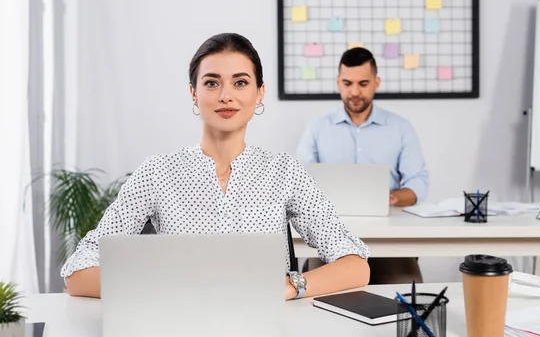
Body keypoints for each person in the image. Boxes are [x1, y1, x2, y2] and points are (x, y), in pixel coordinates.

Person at [61, 33, 370, 300]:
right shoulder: (158, 172)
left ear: (259, 93)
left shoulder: (284, 171)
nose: (226, 96)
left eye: (240, 82)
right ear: (194, 92)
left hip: (266, 324)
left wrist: (288, 287)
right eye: (211, 83)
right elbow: (78, 271)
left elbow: (355, 265)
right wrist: (168, 289)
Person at [296, 47, 429, 284]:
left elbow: (418, 183)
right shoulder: (317, 129)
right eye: (347, 83)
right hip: (331, 239)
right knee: (316, 291)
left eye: (363, 83)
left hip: (388, 243)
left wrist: (393, 197)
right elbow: (300, 183)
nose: (355, 91)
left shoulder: (400, 128)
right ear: (338, 82)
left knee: (407, 290)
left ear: (376, 82)